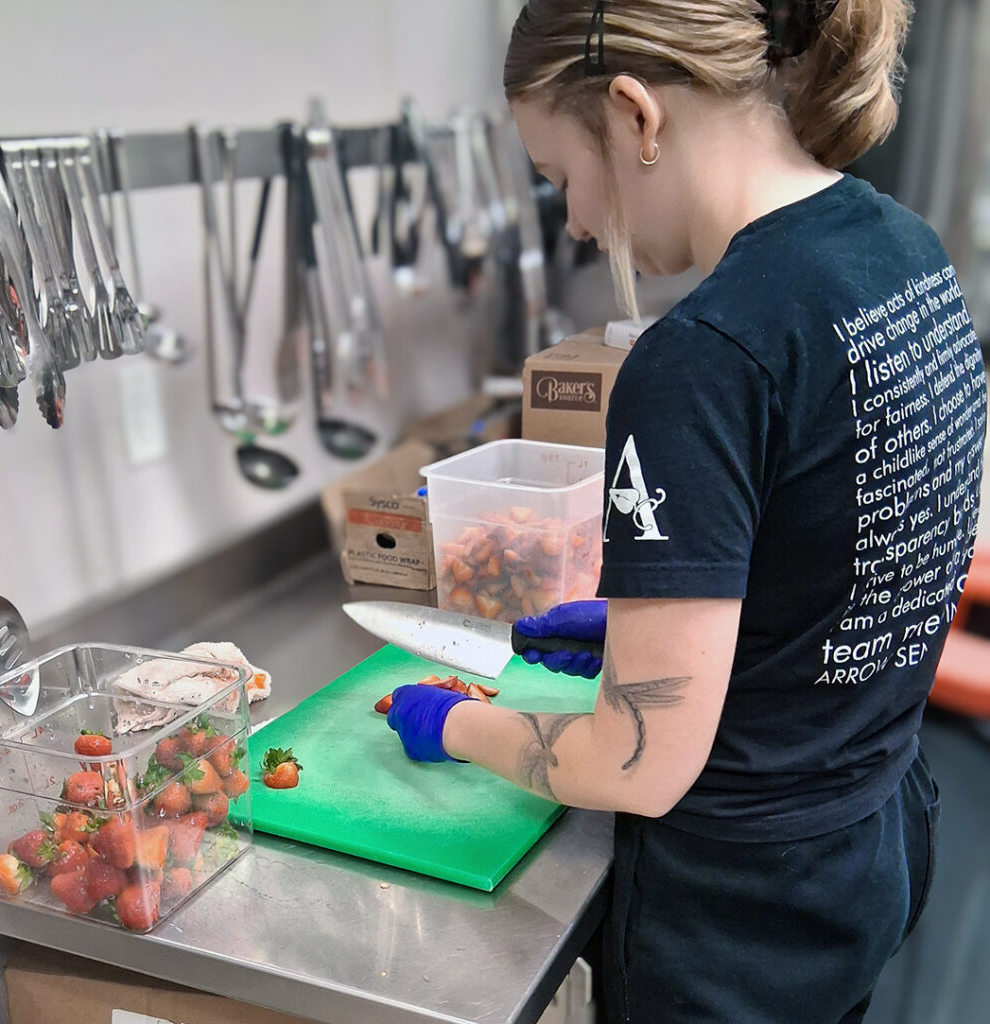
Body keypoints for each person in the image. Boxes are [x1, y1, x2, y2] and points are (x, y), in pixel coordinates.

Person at [385, 1, 988, 1020]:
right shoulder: (906, 253)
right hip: (871, 841)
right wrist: (645, 627)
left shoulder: (700, 359)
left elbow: (637, 760)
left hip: (738, 913)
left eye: (562, 177)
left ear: (634, 115)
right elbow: (854, 553)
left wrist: (453, 727)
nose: (576, 220)